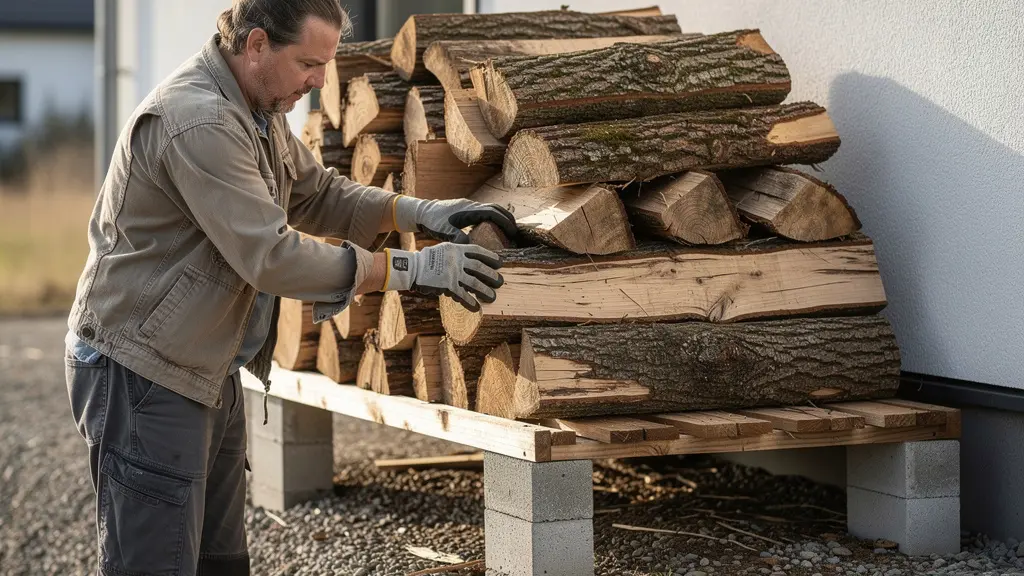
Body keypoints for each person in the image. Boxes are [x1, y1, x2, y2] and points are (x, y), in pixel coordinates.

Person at [63, 1, 516, 574]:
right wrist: (408, 270)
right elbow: (271, 257)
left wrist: (416, 211)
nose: (319, 81)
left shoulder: (256, 106)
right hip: (142, 372)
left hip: (203, 364)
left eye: (324, 66)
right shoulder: (199, 120)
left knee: (220, 562)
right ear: (256, 46)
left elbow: (317, 194)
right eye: (309, 63)